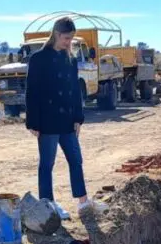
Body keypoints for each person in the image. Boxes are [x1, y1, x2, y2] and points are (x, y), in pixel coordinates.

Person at [25, 16, 106, 220]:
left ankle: (83, 202)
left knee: (76, 160)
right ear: (56, 34)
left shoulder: (70, 59)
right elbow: (32, 92)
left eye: (71, 39)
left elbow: (74, 91)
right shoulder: (38, 59)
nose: (69, 43)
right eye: (66, 38)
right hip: (47, 122)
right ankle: (48, 207)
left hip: (68, 121)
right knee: (47, 164)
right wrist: (33, 122)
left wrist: (78, 117)